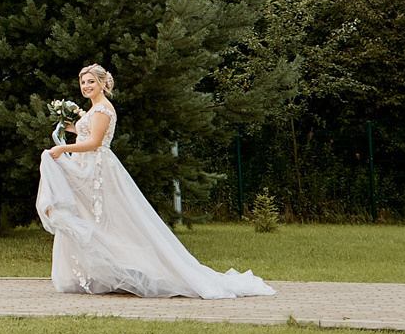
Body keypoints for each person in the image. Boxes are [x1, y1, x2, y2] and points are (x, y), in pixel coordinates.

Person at [34, 63, 272, 300]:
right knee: (90, 216)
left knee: (104, 217)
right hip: (86, 165)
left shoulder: (103, 109)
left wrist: (62, 147)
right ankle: (102, 272)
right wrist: (74, 128)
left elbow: (95, 143)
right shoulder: (94, 109)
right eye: (83, 82)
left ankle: (130, 269)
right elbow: (88, 134)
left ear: (103, 84)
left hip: (97, 169)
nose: (86, 86)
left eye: (91, 82)